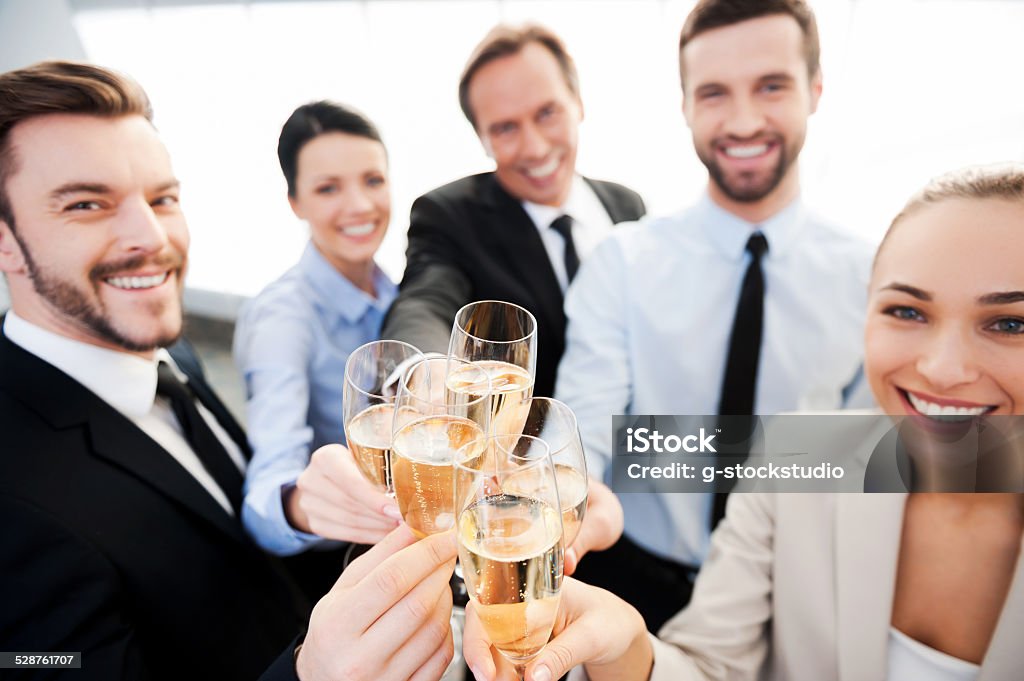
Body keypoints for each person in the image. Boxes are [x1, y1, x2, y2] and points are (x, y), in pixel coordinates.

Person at [466, 164, 1024, 681]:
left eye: (1009, 323)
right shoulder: (802, 458)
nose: (941, 369)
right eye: (907, 311)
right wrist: (628, 644)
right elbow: (710, 667)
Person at [0, 60, 456, 681]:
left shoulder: (165, 351)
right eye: (86, 203)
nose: (151, 235)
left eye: (163, 198)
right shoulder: (13, 500)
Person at [554, 0, 874, 631]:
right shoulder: (622, 262)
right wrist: (567, 488)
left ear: (815, 89)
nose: (744, 120)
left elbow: (872, 462)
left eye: (771, 86)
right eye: (715, 93)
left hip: (800, 592)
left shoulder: (874, 279)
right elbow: (583, 432)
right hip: (634, 585)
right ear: (685, 107)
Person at [380, 22, 647, 398]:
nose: (535, 148)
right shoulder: (448, 216)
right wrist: (425, 367)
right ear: (483, 140)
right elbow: (427, 300)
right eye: (506, 128)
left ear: (578, 104)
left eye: (547, 113)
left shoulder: (627, 205)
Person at [233, 102, 403, 594]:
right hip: (337, 565)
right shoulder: (282, 320)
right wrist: (302, 505)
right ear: (295, 202)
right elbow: (265, 497)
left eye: (373, 180)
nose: (359, 206)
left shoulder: (395, 291)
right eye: (328, 188)